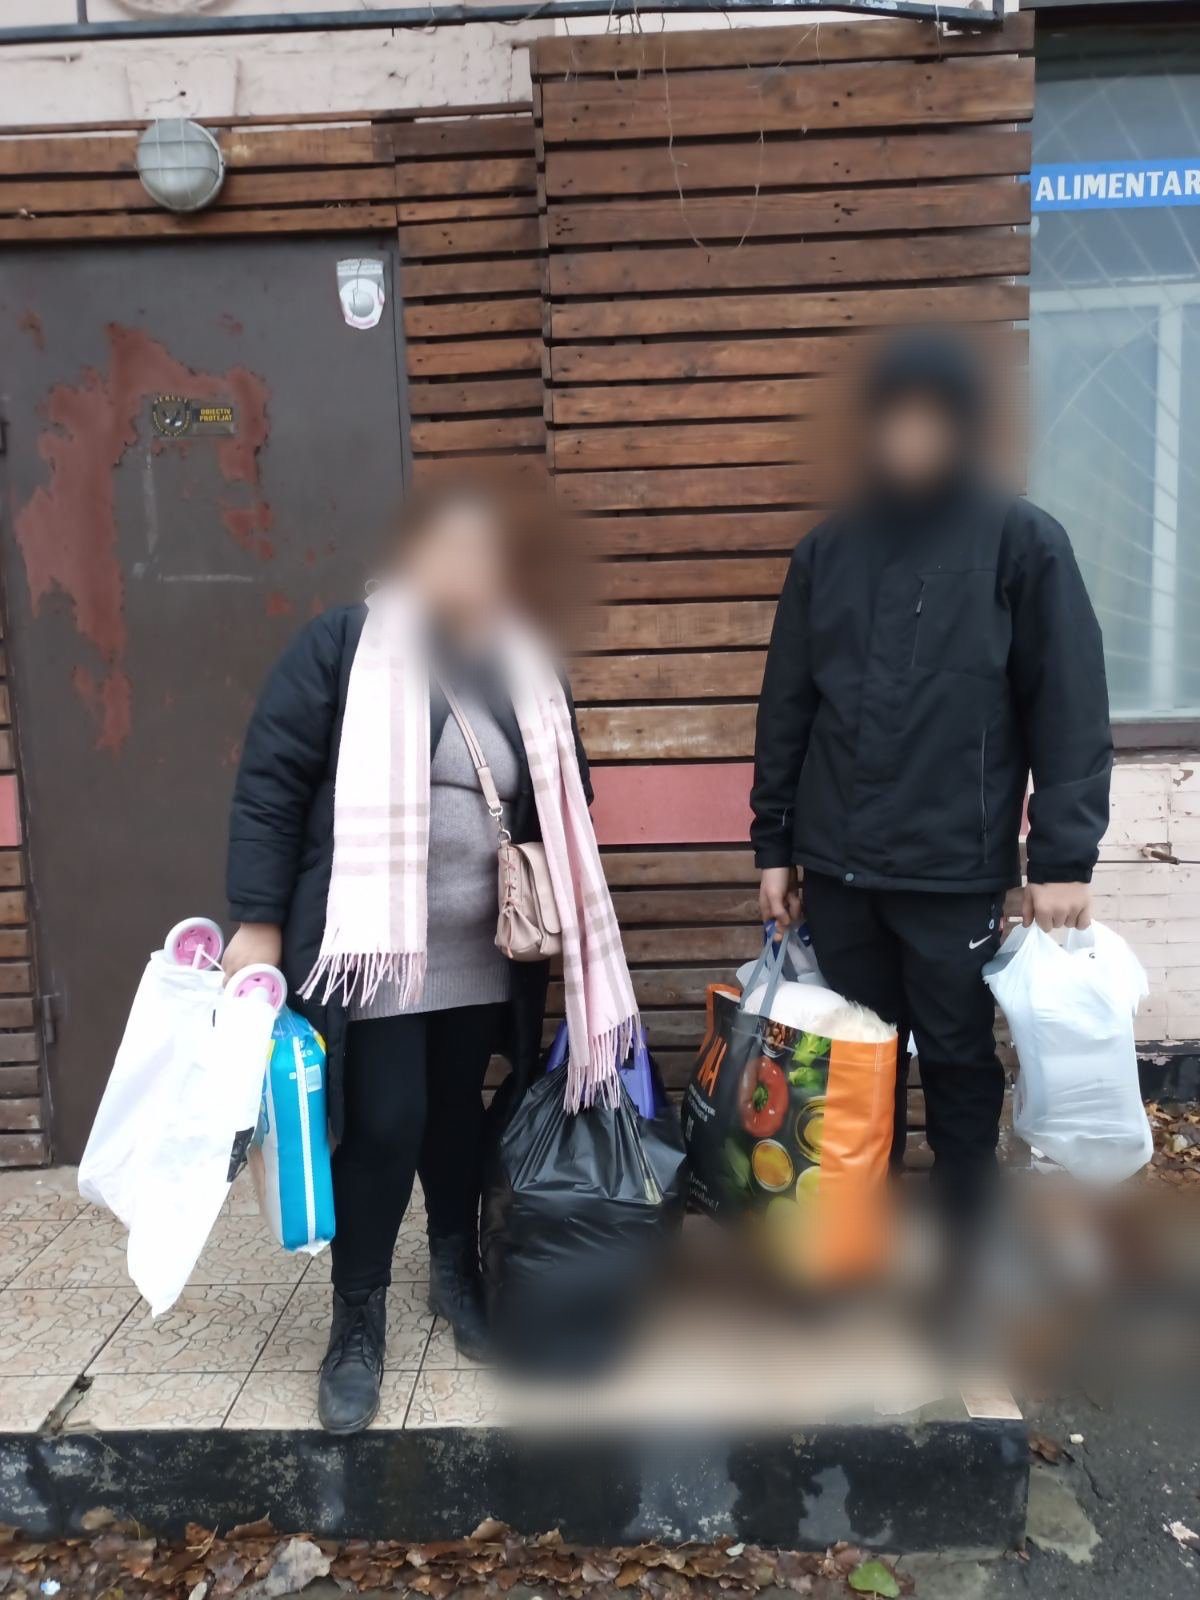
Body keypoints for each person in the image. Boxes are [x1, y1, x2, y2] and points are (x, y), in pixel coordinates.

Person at [223, 487, 638, 1433]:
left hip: (483, 949)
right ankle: (356, 1319)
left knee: (455, 1112)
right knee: (386, 1122)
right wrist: (258, 919)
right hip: (376, 949)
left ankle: (455, 1267)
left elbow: (566, 793)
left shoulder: (524, 665)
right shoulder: (345, 646)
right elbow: (272, 782)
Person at [751, 329, 1112, 1227]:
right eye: (895, 420)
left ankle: (964, 1241)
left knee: (956, 1059)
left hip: (953, 868)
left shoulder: (1021, 542)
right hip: (840, 868)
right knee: (854, 1064)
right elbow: (788, 707)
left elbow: (1068, 704)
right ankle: (858, 1235)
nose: (910, 439)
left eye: (930, 420)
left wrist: (1062, 860)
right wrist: (776, 845)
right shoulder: (827, 552)